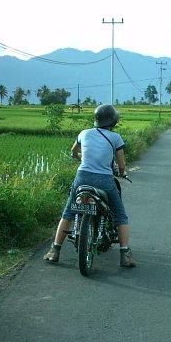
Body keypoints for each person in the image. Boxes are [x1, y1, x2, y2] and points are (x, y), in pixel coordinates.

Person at [43, 104, 136, 268]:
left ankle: (54, 250)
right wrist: (121, 173)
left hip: (82, 178)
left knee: (68, 213)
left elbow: (73, 152)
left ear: (97, 119)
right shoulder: (115, 138)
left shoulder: (84, 133)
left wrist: (79, 157)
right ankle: (125, 255)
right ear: (113, 120)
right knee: (120, 216)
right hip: (104, 181)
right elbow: (121, 165)